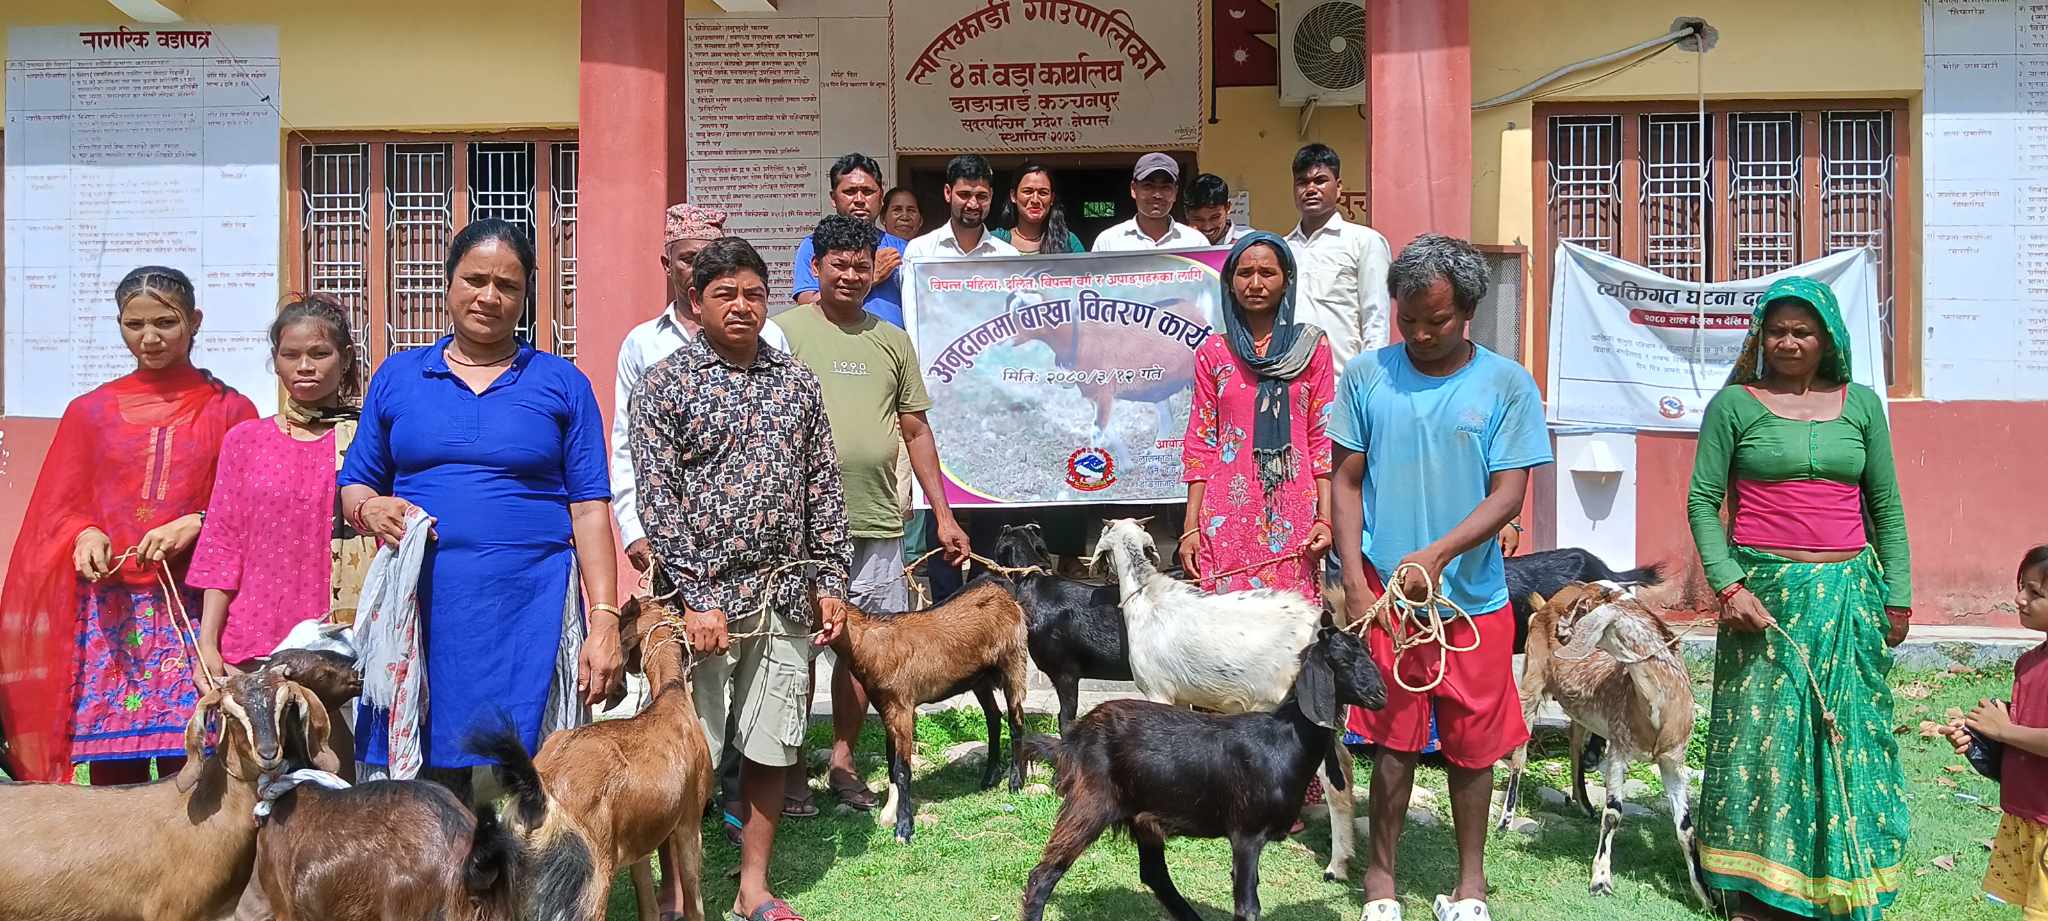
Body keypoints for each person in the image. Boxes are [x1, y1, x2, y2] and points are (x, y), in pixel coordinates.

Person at [340, 219, 622, 792]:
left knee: (536, 768)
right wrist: (369, 510)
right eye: (474, 279)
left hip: (531, 606)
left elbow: (589, 509)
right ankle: (441, 876)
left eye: (507, 285)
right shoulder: (400, 376)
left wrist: (604, 620)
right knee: (431, 771)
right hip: (426, 608)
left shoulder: (561, 383)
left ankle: (529, 878)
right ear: (447, 284)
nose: (489, 297)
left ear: (525, 296)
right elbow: (356, 485)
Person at [630, 236, 854, 921]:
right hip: (700, 610)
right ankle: (678, 890)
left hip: (783, 597)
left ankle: (753, 885)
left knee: (773, 741)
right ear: (694, 302)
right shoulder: (665, 385)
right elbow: (657, 498)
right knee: (689, 753)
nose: (741, 306)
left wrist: (830, 580)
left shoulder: (796, 382)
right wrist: (697, 595)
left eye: (754, 293)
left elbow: (823, 486)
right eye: (724, 293)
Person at [1333, 235, 1552, 921]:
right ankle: (1380, 878)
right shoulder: (1367, 377)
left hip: (1475, 601)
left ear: (1470, 311)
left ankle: (1471, 885)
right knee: (1392, 739)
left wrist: (1438, 553)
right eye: (1409, 321)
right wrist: (1358, 580)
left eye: (1438, 321)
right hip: (1389, 601)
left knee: (1473, 745)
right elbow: (1344, 481)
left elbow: (1508, 494)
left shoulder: (1506, 384)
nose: (1422, 334)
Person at [1687, 276, 1911, 921]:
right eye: (1779, 330)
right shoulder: (1734, 406)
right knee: (1763, 737)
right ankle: (1757, 890)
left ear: (1828, 339)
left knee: (1847, 733)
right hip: (1765, 601)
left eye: (1803, 331)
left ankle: (1843, 873)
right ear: (1761, 336)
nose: (1789, 341)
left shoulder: (1861, 405)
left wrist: (1897, 596)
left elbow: (1886, 508)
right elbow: (1704, 502)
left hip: (1847, 594)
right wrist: (1730, 587)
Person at [0, 266, 258, 783]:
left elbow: (249, 507)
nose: (149, 337)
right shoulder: (90, 412)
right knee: (116, 770)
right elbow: (58, 506)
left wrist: (197, 521)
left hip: (196, 606)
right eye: (133, 324)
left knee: (203, 762)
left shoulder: (230, 410)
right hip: (109, 612)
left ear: (195, 321)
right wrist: (83, 532)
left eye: (166, 321)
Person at [778, 214, 973, 812]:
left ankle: (841, 760)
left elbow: (915, 429)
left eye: (863, 265)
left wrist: (944, 514)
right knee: (795, 649)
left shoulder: (893, 339)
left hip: (876, 519)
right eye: (839, 264)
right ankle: (785, 773)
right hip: (798, 529)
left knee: (864, 655)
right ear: (816, 267)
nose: (851, 275)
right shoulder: (780, 333)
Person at [189, 296, 378, 680]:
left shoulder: (368, 439)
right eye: (291, 355)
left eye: (319, 353)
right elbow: (222, 545)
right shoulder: (245, 441)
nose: (304, 366)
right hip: (253, 644)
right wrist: (207, 643)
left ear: (344, 359)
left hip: (346, 645)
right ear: (275, 360)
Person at [614, 204, 789, 575]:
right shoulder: (643, 344)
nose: (696, 269)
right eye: (687, 259)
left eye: (707, 258)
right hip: (674, 542)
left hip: (765, 555)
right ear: (667, 264)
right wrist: (633, 529)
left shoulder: (769, 337)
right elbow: (625, 443)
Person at [1178, 231, 1333, 594]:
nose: (1256, 283)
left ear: (1286, 282)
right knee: (1227, 629)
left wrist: (1325, 519)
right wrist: (1191, 527)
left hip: (1294, 506)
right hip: (1226, 511)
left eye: (1267, 273)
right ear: (1230, 283)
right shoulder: (1214, 352)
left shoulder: (1311, 347)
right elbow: (1201, 442)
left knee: (1292, 626)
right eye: (1245, 273)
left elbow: (1321, 438)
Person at [1284, 143, 1392, 368]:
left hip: (1342, 380)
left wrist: (1368, 379)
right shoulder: (1282, 249)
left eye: (1320, 181)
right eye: (1302, 182)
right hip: (1290, 382)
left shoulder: (1365, 242)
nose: (1311, 189)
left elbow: (1376, 317)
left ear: (1339, 187)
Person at [793, 153, 908, 327]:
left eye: (868, 192)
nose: (860, 200)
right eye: (850, 192)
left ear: (881, 197)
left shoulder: (904, 248)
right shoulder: (813, 246)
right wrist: (871, 276)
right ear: (833, 198)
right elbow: (808, 306)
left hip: (891, 349)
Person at [905, 154, 1018, 260]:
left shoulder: (1008, 255)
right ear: (948, 193)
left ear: (991, 195)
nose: (973, 204)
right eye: (964, 195)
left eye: (981, 196)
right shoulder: (920, 251)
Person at [1092, 153, 1206, 252]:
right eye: (1148, 186)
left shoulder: (1195, 243)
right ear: (1133, 189)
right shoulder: (1108, 242)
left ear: (1175, 192)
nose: (1157, 195)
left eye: (1165, 187)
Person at [993, 162, 1084, 254]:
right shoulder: (994, 242)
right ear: (1013, 196)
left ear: (1052, 198)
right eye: (1027, 191)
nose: (1035, 200)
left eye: (1043, 193)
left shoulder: (1068, 243)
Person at [1187, 172, 1249, 247]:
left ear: (1228, 208)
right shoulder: (1178, 245)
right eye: (1198, 219)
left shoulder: (1249, 243)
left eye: (1215, 217)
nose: (1207, 227)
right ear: (1186, 213)